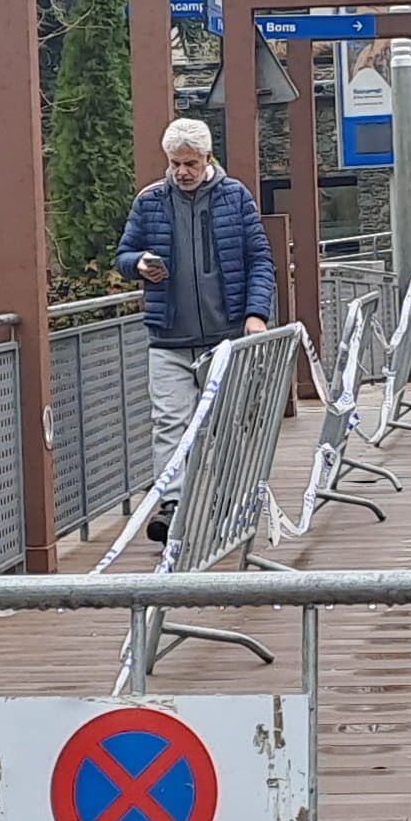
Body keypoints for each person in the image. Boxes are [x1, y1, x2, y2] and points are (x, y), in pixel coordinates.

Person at [116, 117, 277, 533]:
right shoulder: (149, 202)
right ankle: (172, 505)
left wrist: (256, 315)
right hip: (168, 336)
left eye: (189, 163)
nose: (182, 172)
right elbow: (124, 255)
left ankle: (226, 498)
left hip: (225, 337)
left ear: (207, 158)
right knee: (169, 421)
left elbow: (260, 261)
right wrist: (140, 265)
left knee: (226, 421)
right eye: (175, 163)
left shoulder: (235, 198)